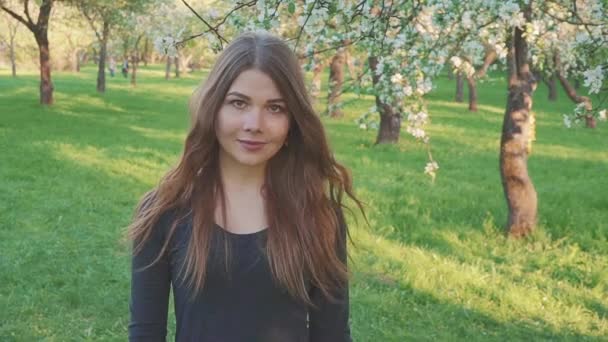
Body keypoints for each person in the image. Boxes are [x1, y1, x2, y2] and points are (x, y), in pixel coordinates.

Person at [127, 31, 364, 342]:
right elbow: (146, 334)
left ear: (293, 120)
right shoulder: (165, 211)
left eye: (275, 108)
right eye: (238, 103)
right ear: (213, 108)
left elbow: (332, 335)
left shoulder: (318, 216)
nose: (254, 123)